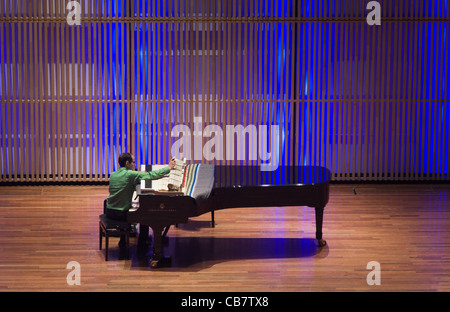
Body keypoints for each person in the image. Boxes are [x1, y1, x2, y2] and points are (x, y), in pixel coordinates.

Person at [105, 152, 176, 253]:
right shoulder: (130, 174)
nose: (135, 164)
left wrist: (139, 173)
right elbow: (151, 175)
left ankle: (124, 242)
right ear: (127, 163)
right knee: (145, 217)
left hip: (109, 211)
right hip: (121, 214)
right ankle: (142, 246)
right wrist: (168, 168)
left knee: (140, 211)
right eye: (133, 162)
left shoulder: (113, 174)